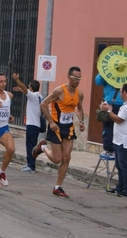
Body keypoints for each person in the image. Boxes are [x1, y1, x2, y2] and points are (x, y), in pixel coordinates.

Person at [33, 66, 85, 198]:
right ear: (68, 77)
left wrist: (81, 121)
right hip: (56, 127)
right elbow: (43, 104)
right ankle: (43, 147)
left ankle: (58, 187)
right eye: (75, 78)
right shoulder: (59, 91)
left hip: (68, 127)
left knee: (67, 157)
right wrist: (51, 122)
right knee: (57, 159)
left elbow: (79, 108)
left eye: (79, 78)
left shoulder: (79, 93)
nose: (77, 81)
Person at [101, 83, 127, 197]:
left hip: (124, 141)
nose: (120, 93)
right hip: (118, 140)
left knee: (124, 165)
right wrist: (110, 109)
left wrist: (108, 111)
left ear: (124, 92)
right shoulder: (125, 105)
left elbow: (118, 119)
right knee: (119, 165)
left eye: (121, 91)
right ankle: (119, 188)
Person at [12, 73, 41, 173]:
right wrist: (20, 89)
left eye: (29, 86)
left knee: (30, 146)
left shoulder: (33, 96)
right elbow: (25, 91)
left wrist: (17, 80)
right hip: (35, 125)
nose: (28, 87)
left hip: (32, 124)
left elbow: (25, 89)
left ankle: (31, 166)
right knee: (32, 145)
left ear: (31, 87)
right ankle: (30, 163)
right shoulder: (38, 96)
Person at [95, 73, 123, 158]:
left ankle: (109, 150)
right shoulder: (126, 74)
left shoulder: (108, 72)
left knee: (108, 128)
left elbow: (98, 81)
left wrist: (103, 72)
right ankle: (118, 150)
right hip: (122, 103)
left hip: (109, 103)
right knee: (119, 128)